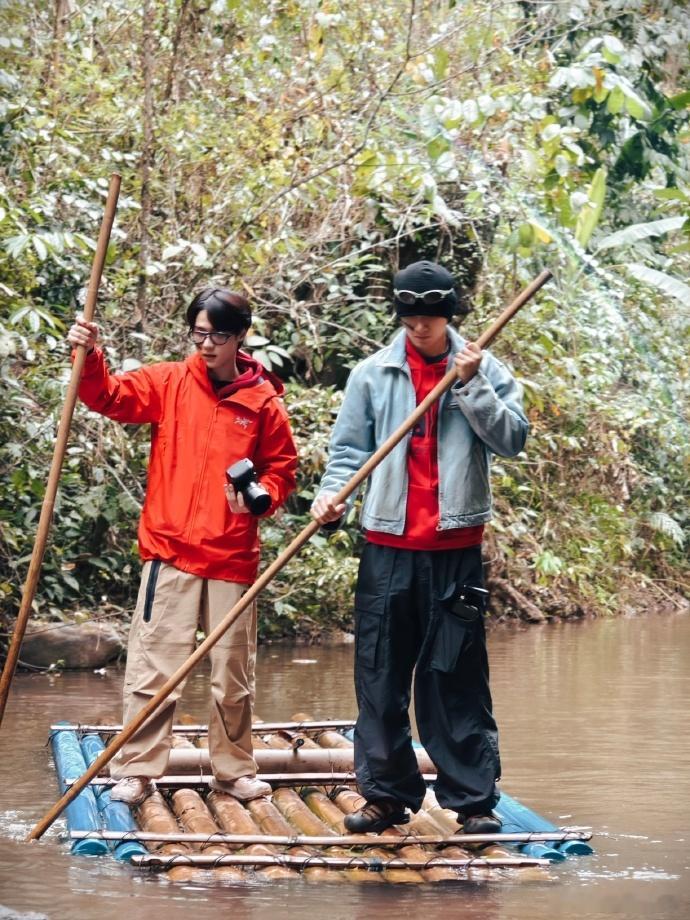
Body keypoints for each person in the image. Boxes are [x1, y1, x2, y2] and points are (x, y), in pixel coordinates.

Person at [311, 260, 528, 835]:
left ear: (448, 316)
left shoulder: (484, 369)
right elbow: (348, 453)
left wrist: (473, 385)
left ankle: (473, 802)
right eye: (410, 323)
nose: (419, 332)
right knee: (379, 674)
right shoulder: (373, 374)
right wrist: (331, 499)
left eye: (429, 322)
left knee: (453, 677)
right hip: (387, 546)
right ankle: (386, 796)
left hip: (455, 547)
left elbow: (512, 439)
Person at [67, 288, 297, 805]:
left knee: (232, 675)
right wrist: (89, 355)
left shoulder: (263, 402)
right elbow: (109, 396)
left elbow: (282, 469)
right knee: (154, 668)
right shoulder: (170, 382)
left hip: (233, 556)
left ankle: (233, 771)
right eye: (199, 334)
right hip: (169, 551)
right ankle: (138, 768)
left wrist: (259, 501)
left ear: (240, 336)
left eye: (218, 334)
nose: (207, 345)